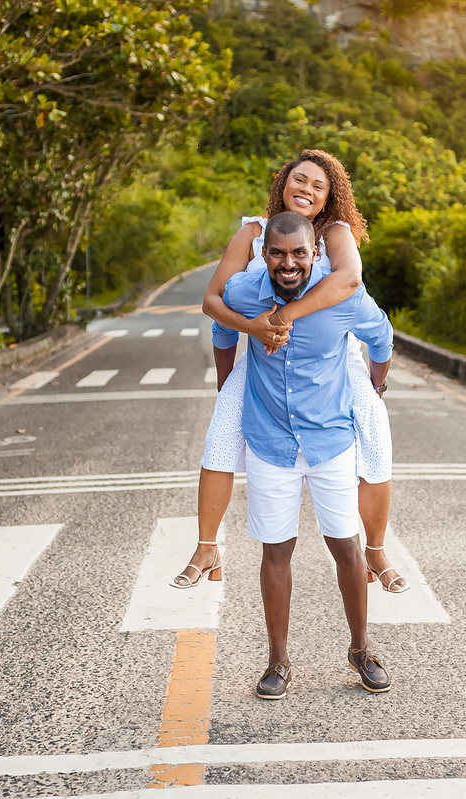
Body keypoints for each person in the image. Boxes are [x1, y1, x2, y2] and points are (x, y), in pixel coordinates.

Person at [171, 150, 407, 594]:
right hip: (261, 347)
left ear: (327, 200)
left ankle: (374, 548)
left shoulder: (335, 233)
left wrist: (287, 317)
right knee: (222, 432)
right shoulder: (252, 232)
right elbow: (217, 303)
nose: (307, 190)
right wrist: (243, 353)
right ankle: (206, 546)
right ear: (282, 183)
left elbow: (350, 282)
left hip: (330, 352)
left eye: (319, 186)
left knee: (374, 431)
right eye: (299, 180)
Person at [213, 212, 393, 698]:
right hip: (270, 442)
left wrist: (376, 387)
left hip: (331, 440)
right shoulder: (247, 292)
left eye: (298, 253)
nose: (287, 263)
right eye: (277, 253)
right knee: (277, 551)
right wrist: (226, 382)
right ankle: (278, 661)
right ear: (264, 254)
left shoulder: (342, 297)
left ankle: (361, 649)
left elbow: (382, 335)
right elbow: (220, 325)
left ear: (315, 252)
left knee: (345, 546)